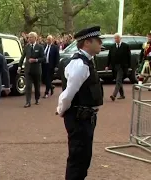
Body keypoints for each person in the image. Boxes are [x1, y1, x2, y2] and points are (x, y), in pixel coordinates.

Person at [56, 26, 104, 180]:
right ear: (87, 43)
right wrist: (62, 110)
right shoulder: (79, 64)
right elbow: (68, 94)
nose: (101, 43)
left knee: (83, 159)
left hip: (85, 118)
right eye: (98, 40)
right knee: (77, 160)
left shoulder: (87, 62)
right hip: (79, 118)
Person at [18, 32, 45, 108]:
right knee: (28, 86)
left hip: (36, 70)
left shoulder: (40, 47)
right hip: (28, 70)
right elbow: (22, 57)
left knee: (37, 86)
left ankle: (37, 99)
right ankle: (28, 102)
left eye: (31, 37)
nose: (29, 39)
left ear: (35, 38)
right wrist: (19, 67)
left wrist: (36, 60)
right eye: (29, 37)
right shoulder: (27, 47)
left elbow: (43, 58)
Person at [105, 33, 131, 101]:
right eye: (115, 38)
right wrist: (107, 65)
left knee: (118, 80)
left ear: (120, 38)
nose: (116, 39)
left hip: (122, 66)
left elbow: (129, 56)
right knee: (118, 80)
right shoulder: (112, 47)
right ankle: (122, 95)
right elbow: (109, 56)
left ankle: (114, 95)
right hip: (114, 66)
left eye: (117, 38)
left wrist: (129, 66)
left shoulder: (125, 46)